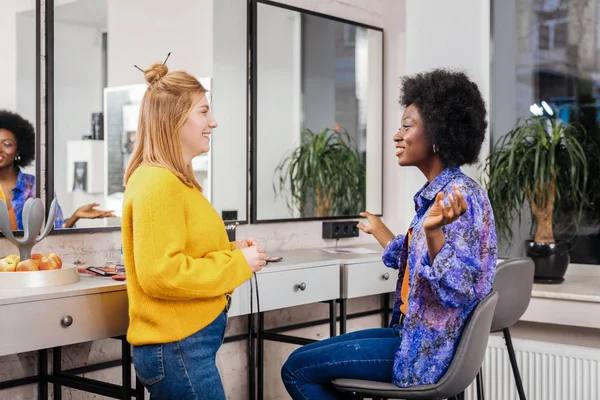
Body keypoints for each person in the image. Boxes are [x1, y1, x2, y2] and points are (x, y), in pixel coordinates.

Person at [281, 68, 498, 399]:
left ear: (439, 132)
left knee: (296, 369)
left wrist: (435, 231)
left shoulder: (458, 198)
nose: (397, 135)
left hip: (424, 351)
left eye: (407, 126)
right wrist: (383, 233)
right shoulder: (441, 193)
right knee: (303, 359)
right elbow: (417, 258)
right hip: (412, 333)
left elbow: (458, 289)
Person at [122, 58, 266, 400]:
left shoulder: (176, 182)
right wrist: (237, 265)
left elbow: (184, 254)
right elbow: (162, 273)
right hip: (178, 348)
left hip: (185, 345)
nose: (213, 122)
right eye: (203, 112)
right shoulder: (157, 182)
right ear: (174, 118)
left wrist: (234, 252)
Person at [0, 109, 115, 229]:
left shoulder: (35, 186)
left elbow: (54, 230)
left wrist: (75, 216)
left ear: (19, 150)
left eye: (7, 144)